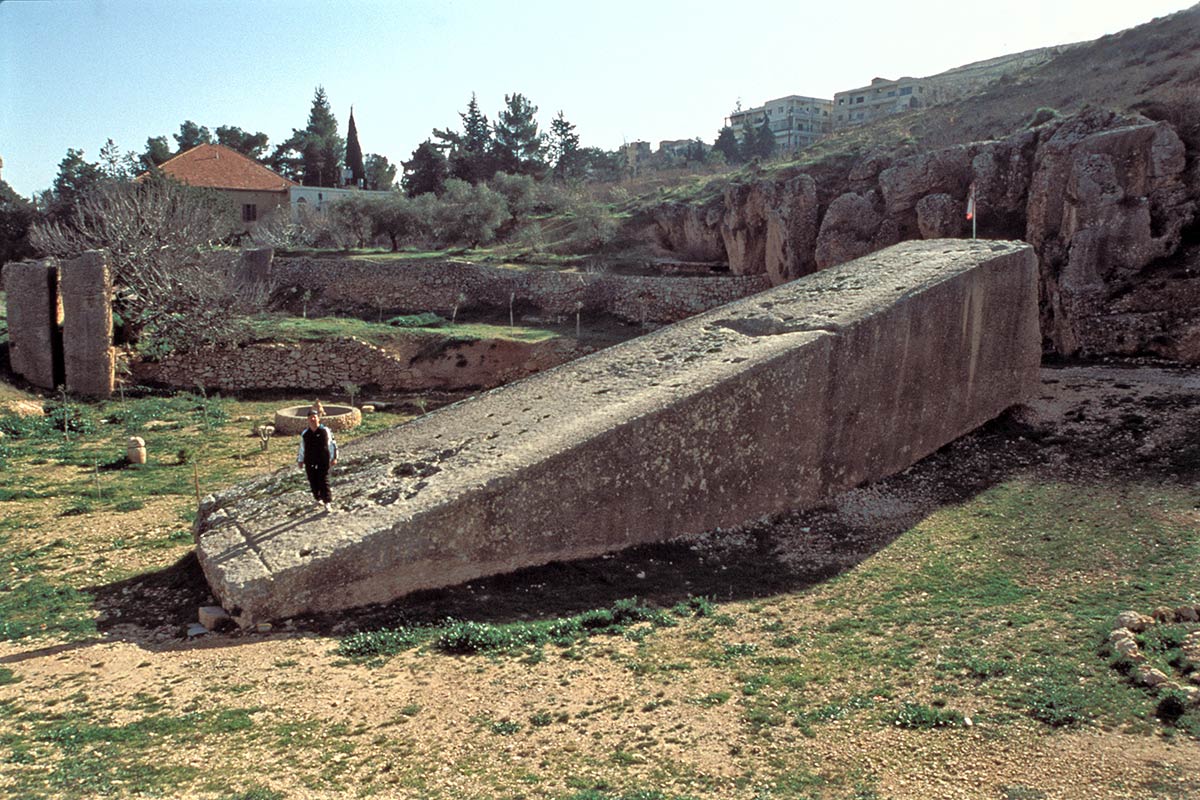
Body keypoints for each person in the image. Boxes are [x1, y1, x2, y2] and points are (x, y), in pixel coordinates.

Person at [297, 408, 337, 512]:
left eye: (314, 417)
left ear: (318, 419)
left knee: (323, 480)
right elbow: (302, 447)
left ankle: (327, 502)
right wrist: (300, 460)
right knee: (312, 480)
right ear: (308, 420)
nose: (312, 419)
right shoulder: (305, 434)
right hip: (310, 461)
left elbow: (332, 444)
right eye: (310, 418)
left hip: (323, 460)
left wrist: (334, 457)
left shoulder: (325, 431)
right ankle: (318, 498)